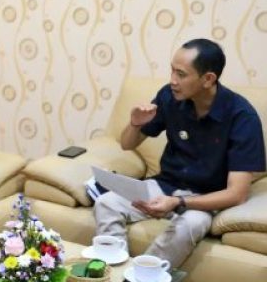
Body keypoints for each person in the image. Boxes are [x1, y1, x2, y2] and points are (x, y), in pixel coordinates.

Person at [94, 38, 266, 267]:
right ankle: (111, 271)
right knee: (107, 203)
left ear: (208, 79)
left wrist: (177, 202)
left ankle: (142, 277)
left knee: (189, 225)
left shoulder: (242, 117)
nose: (173, 80)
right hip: (165, 185)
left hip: (205, 198)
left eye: (181, 74)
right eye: (172, 71)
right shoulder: (169, 97)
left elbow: (237, 194)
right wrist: (135, 124)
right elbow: (126, 144)